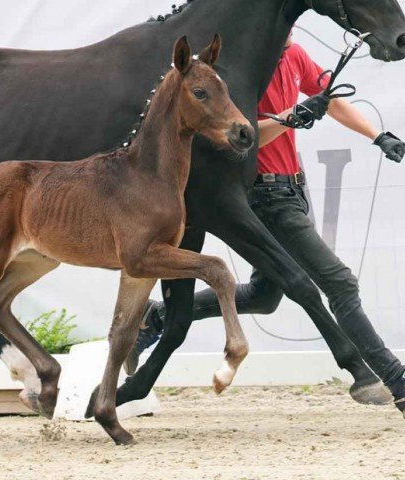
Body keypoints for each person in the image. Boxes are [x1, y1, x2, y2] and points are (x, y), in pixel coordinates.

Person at [125, 31, 405, 413]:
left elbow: (332, 101)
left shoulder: (295, 53)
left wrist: (379, 136)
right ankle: (395, 379)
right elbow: (242, 138)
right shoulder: (248, 66)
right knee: (339, 282)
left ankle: (156, 315)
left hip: (295, 187)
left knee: (264, 295)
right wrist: (293, 118)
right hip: (267, 196)